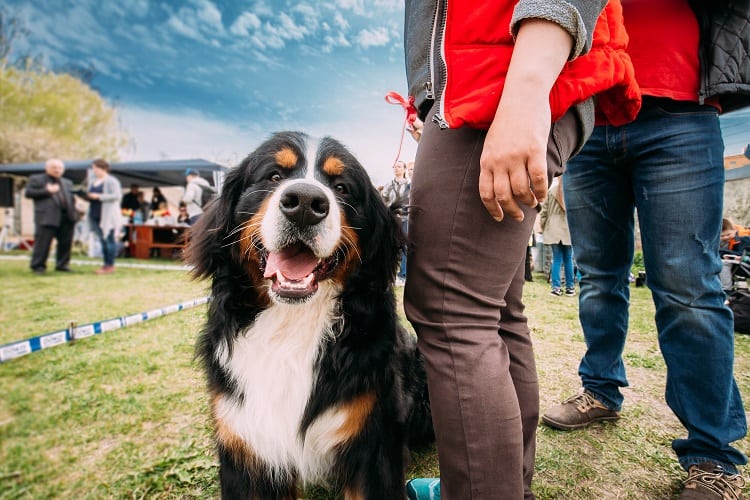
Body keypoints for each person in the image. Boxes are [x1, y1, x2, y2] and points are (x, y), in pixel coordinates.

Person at [402, 0, 640, 498]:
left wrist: (526, 90)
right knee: (494, 312)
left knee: (453, 313)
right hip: (493, 82)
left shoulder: (510, 84)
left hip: (497, 80)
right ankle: (506, 484)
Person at [541, 2, 750, 498]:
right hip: (589, 120)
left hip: (679, 111)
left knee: (688, 286)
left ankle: (712, 454)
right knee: (597, 277)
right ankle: (600, 390)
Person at [24, 158, 77, 274]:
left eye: (60, 168)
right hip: (47, 216)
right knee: (43, 243)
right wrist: (47, 191)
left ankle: (62, 265)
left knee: (65, 243)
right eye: (54, 168)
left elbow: (71, 198)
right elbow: (28, 193)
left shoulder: (67, 182)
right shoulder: (36, 179)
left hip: (66, 216)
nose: (57, 170)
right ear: (47, 168)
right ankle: (38, 266)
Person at [539, 177, 575, 296]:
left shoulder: (551, 191)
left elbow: (544, 212)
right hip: (568, 229)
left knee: (557, 259)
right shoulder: (572, 191)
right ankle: (570, 288)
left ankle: (556, 288)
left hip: (553, 229)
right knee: (568, 259)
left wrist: (543, 227)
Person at [86, 159, 122, 275]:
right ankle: (105, 264)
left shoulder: (111, 181)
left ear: (103, 168)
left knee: (109, 239)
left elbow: (117, 196)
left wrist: (99, 196)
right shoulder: (93, 181)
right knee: (102, 240)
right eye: (93, 168)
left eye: (96, 168)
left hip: (107, 216)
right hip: (95, 213)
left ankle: (109, 265)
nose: (94, 170)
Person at [382, 160, 411, 284]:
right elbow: (383, 199)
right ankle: (390, 274)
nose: (396, 168)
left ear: (404, 169)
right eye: (395, 167)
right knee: (390, 246)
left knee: (404, 246)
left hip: (406, 219)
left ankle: (402, 275)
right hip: (392, 218)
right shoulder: (389, 184)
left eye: (399, 167)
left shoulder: (410, 185)